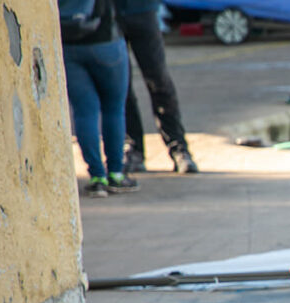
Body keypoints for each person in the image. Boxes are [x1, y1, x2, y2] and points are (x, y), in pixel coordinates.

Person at [60, 0, 139, 197]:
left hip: (68, 44)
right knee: (114, 109)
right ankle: (115, 174)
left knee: (84, 112)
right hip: (106, 42)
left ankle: (97, 178)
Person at [116, 0, 198, 174]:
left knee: (158, 80)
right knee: (121, 86)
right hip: (110, 15)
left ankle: (179, 148)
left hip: (143, 11)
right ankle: (133, 148)